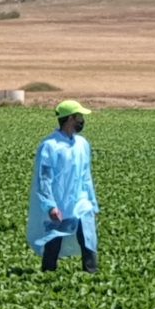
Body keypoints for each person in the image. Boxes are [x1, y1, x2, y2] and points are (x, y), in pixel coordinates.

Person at [27, 99, 99, 273]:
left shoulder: (82, 144)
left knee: (87, 237)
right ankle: (48, 274)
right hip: (59, 201)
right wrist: (50, 206)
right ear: (69, 118)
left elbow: (86, 175)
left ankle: (92, 274)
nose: (82, 120)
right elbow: (44, 179)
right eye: (79, 116)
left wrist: (92, 202)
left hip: (81, 201)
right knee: (54, 240)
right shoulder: (50, 146)